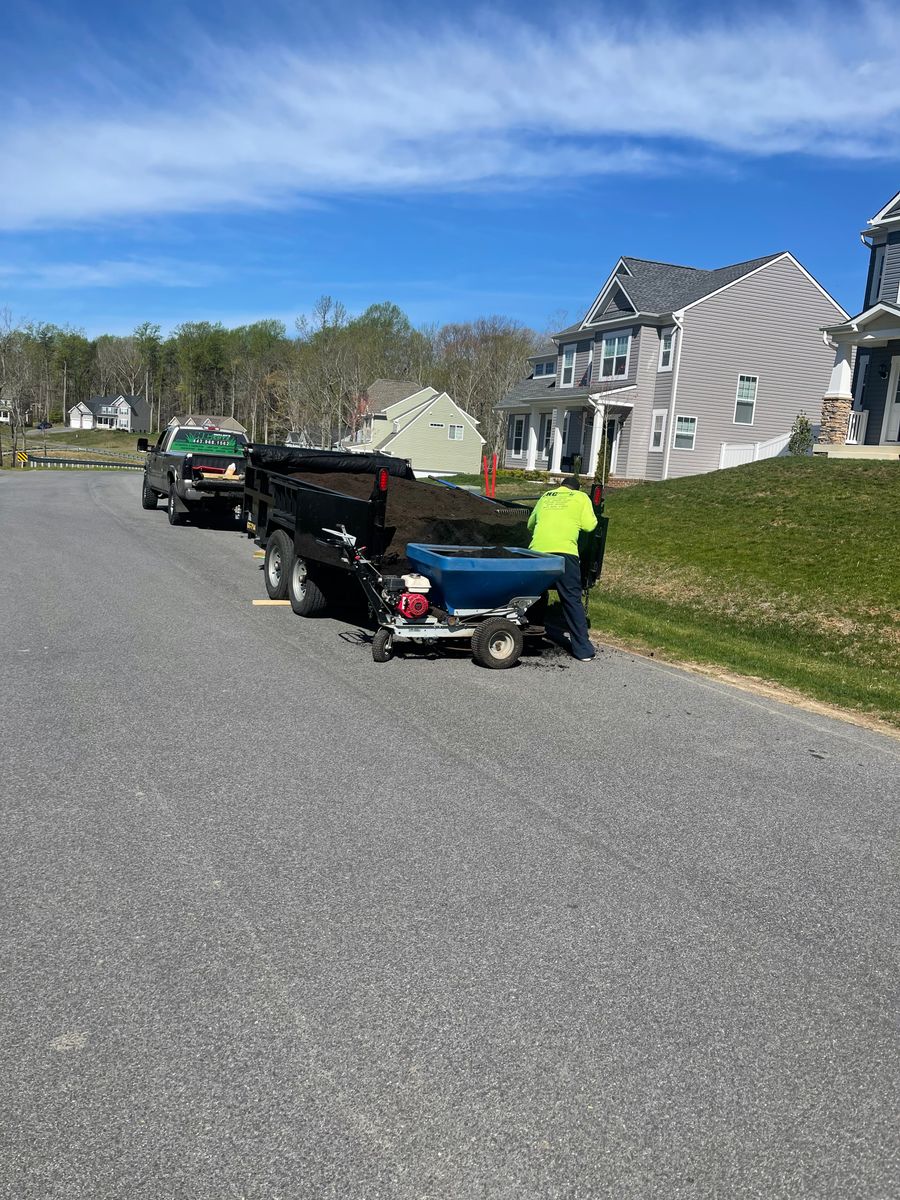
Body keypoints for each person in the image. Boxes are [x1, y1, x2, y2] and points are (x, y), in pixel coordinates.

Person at [527, 476, 598, 660]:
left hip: (537, 554)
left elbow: (530, 524)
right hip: (565, 554)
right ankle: (583, 650)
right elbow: (590, 526)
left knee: (535, 595)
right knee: (571, 599)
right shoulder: (581, 497)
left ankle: (530, 638)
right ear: (576, 489)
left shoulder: (546, 496)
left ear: (560, 487)